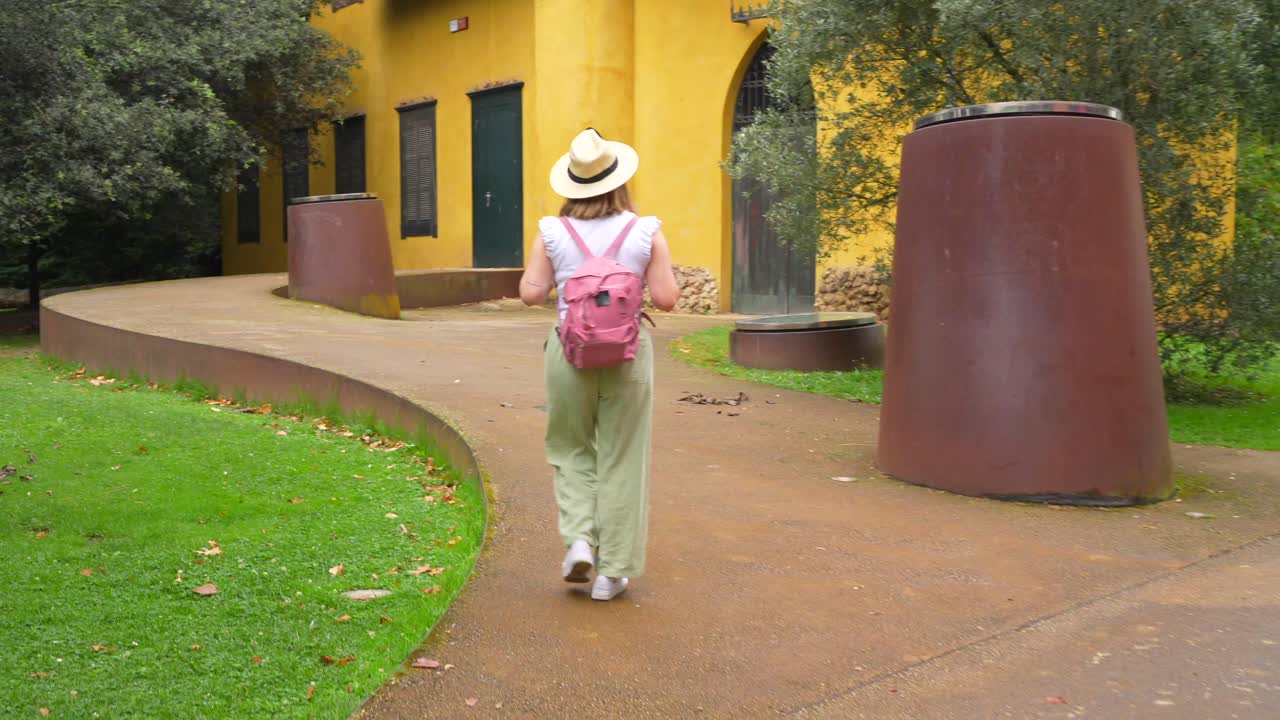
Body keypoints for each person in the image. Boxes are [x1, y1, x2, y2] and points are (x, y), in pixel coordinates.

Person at [519, 128, 679, 601]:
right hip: (629, 354)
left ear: (571, 182)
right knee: (622, 455)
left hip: (568, 353)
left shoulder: (552, 232)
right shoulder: (646, 230)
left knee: (569, 447)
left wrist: (554, 275)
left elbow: (530, 294)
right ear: (619, 180)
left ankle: (580, 541)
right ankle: (613, 574)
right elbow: (667, 299)